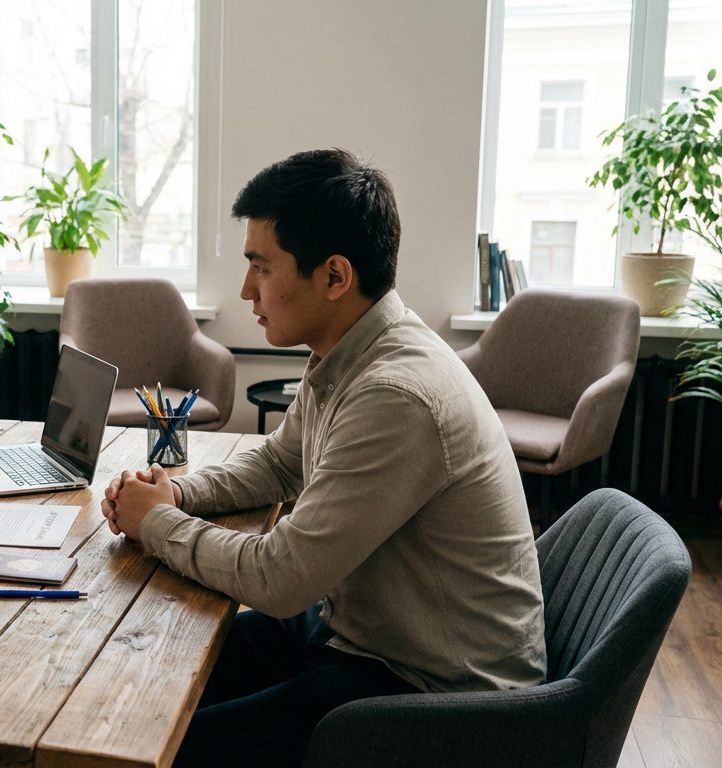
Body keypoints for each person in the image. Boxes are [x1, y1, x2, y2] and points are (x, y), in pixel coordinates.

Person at [101, 148, 546, 767]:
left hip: (430, 694)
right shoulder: (348, 351)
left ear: (335, 277)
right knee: (150, 671)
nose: (245, 289)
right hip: (358, 633)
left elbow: (277, 580)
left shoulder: (397, 395)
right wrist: (178, 495)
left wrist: (153, 523)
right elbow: (281, 464)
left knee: (163, 745)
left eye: (261, 266)